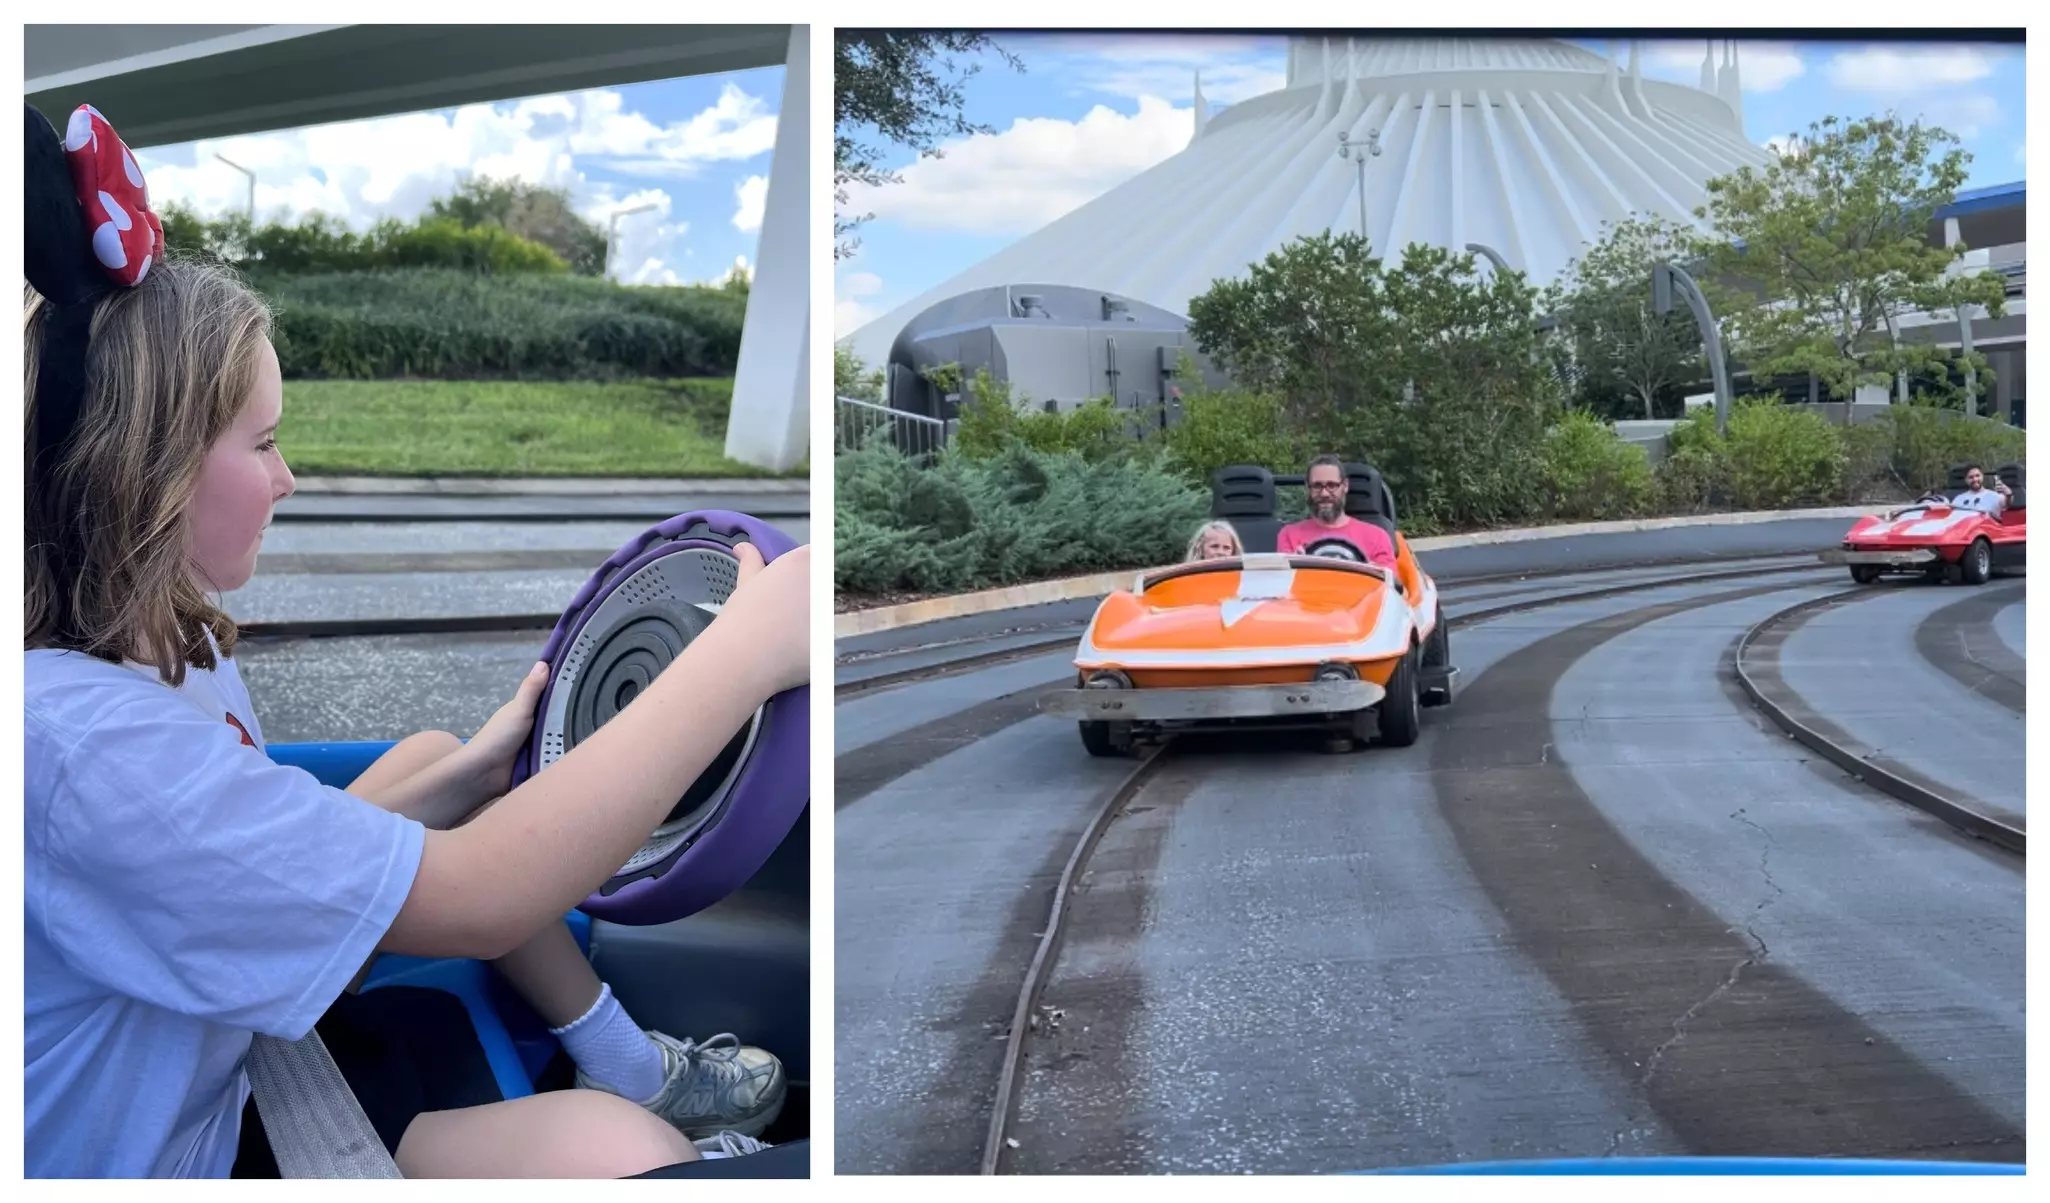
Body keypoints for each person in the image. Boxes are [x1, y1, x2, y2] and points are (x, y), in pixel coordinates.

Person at [24, 103, 807, 1179]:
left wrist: (486, 771)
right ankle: (636, 1085)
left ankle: (623, 1061)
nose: (290, 477)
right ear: (145, 474)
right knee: (632, 1152)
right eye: (265, 442)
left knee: (440, 762)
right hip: (183, 1150)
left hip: (214, 1041)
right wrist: (742, 656)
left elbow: (248, 866)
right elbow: (481, 894)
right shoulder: (83, 750)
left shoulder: (165, 638)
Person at [1275, 455, 1399, 569]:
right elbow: (1282, 586)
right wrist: (1295, 568)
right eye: (1317, 486)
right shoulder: (1289, 535)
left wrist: (1372, 572)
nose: (1324, 493)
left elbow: (1391, 587)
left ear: (1345, 486)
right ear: (1308, 489)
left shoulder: (1377, 537)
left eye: (1332, 485)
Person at [1947, 464, 2012, 517]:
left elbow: (2006, 504)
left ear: (1982, 476)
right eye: (1971, 477)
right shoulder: (1959, 499)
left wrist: (2008, 495)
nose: (1975, 479)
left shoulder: (1994, 496)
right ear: (1966, 480)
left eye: (1977, 476)